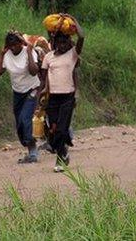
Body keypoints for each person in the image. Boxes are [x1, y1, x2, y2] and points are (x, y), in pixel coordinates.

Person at [38, 13, 84, 172]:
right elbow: (43, 80)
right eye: (60, 41)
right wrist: (40, 94)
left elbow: (82, 37)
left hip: (67, 97)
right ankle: (63, 152)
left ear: (69, 42)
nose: (63, 44)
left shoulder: (72, 55)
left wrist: (72, 18)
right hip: (52, 98)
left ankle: (60, 159)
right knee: (52, 131)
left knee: (62, 129)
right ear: (54, 43)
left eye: (66, 41)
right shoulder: (48, 57)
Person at [0, 31, 41, 164]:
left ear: (21, 43)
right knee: (19, 123)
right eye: (10, 45)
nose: (13, 48)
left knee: (25, 119)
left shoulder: (27, 51)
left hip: (32, 89)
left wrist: (30, 52)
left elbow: (33, 71)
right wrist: (1, 54)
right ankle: (28, 144)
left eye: (15, 45)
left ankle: (33, 151)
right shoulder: (7, 55)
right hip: (18, 92)